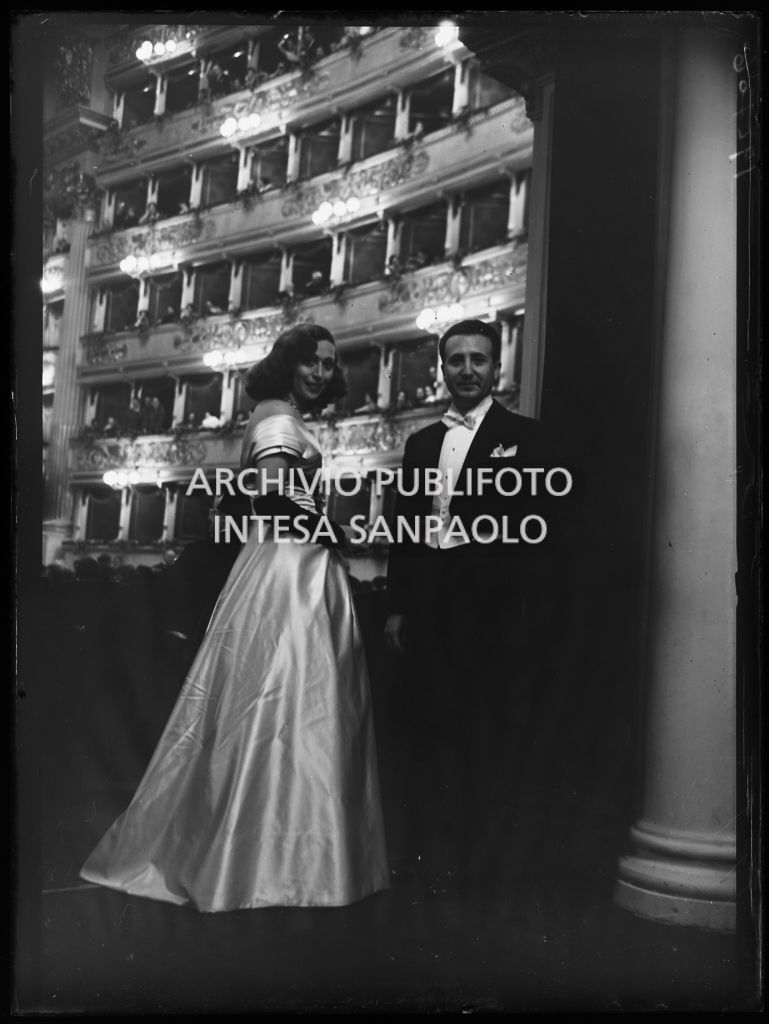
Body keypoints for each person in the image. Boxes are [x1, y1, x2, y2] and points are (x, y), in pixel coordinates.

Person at [80, 323, 390, 912]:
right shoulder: (277, 416)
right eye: (311, 362)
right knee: (281, 704)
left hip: (292, 566)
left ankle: (283, 860)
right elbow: (272, 495)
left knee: (289, 708)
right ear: (287, 364)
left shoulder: (279, 415)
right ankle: (273, 864)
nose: (322, 373)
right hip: (287, 571)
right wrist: (335, 532)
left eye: (329, 364)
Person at [383, 319, 556, 899]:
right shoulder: (421, 443)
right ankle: (429, 863)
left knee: (485, 739)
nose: (466, 370)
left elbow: (537, 534)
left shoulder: (528, 439)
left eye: (477, 360)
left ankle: (481, 872)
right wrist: (398, 607)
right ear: (442, 368)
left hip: (490, 617)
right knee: (429, 737)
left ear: (496, 369)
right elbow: (405, 532)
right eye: (455, 360)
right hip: (428, 614)